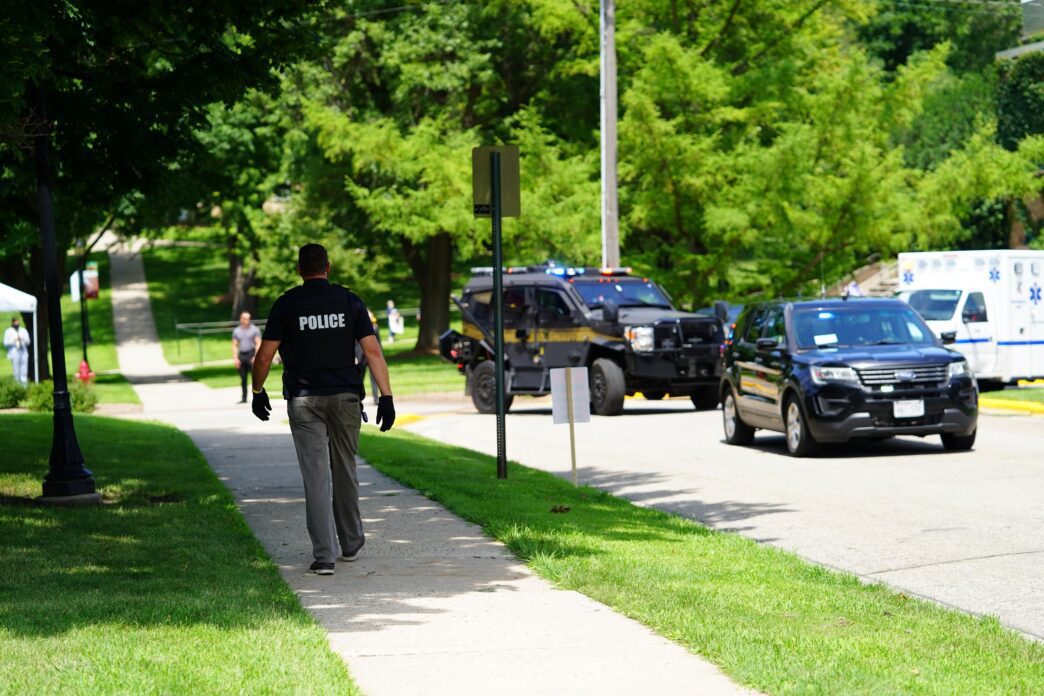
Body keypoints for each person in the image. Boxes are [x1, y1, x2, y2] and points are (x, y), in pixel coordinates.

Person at [250, 243, 395, 576]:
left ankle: (324, 556)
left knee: (315, 477)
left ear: (300, 270)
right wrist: (385, 397)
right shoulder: (349, 301)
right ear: (327, 267)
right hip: (345, 397)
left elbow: (263, 357)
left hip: (303, 400)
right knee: (345, 469)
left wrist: (258, 391)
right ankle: (351, 541)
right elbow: (372, 352)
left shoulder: (286, 305)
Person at [232, 312, 262, 404]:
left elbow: (258, 343)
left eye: (248, 318)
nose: (247, 320)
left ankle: (257, 398)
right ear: (241, 319)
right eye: (245, 318)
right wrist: (235, 358)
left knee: (255, 378)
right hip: (242, 355)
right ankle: (244, 398)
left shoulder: (254, 330)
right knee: (243, 378)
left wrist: (255, 357)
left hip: (251, 355)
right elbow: (234, 345)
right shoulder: (237, 331)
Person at [3, 317, 31, 386]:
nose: (17, 323)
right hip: (14, 352)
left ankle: (24, 385)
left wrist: (22, 338)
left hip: (23, 351)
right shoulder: (8, 331)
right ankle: (17, 384)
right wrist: (14, 340)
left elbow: (28, 341)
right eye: (15, 322)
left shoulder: (23, 330)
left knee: (24, 369)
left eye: (17, 322)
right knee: (16, 369)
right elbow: (5, 343)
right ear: (12, 323)